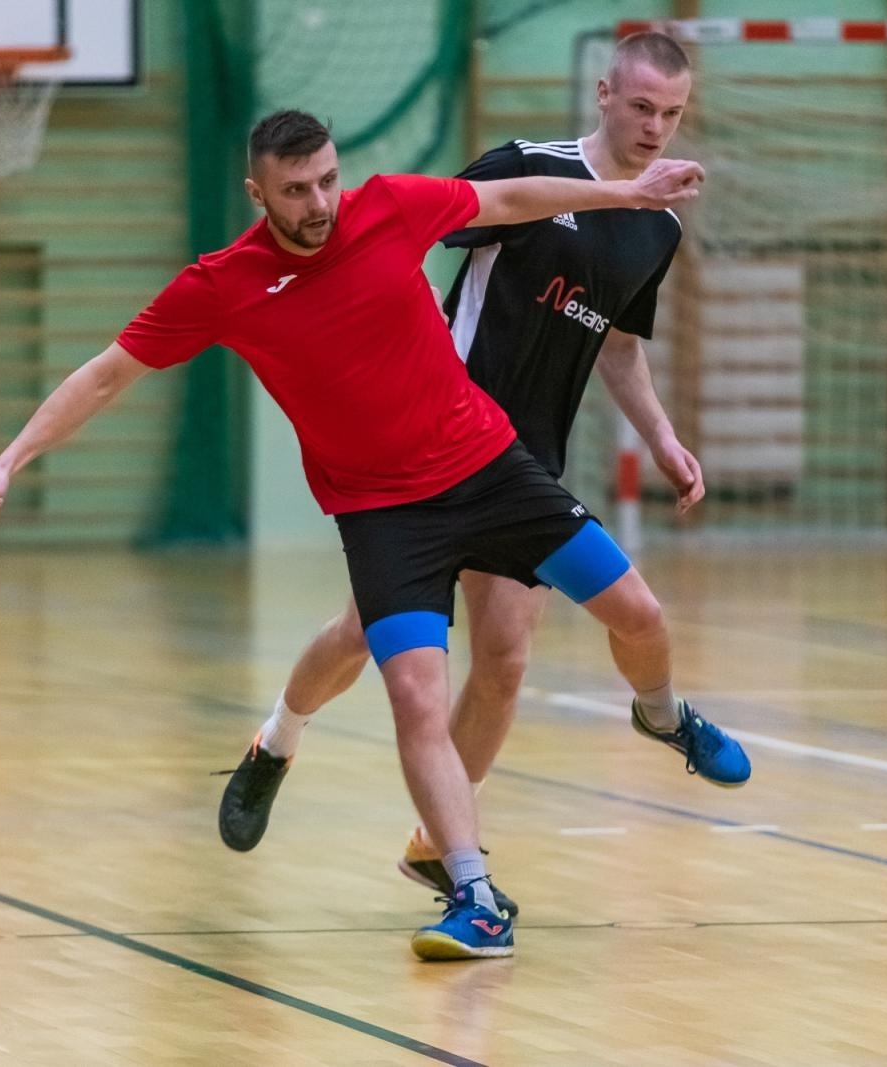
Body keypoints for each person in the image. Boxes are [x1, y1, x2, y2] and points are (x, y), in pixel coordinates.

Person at [0, 107, 750, 962]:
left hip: (490, 469)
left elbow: (512, 198)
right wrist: (10, 460)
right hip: (384, 517)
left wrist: (628, 193)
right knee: (414, 694)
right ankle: (472, 895)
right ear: (258, 193)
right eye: (297, 190)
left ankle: (661, 714)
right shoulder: (223, 284)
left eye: (328, 180)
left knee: (639, 614)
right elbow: (105, 375)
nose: (320, 203)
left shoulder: (389, 207)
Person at [215, 32, 709, 921]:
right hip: (431, 447)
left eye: (671, 114)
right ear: (604, 94)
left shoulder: (658, 224)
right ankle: (275, 742)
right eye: (641, 106)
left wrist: (663, 437)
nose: (654, 128)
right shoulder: (524, 166)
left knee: (506, 661)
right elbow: (400, 233)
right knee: (361, 635)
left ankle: (439, 850)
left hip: (526, 463)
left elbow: (618, 345)